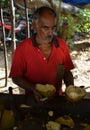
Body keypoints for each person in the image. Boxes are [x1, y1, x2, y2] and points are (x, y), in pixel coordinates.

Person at [9, 6, 74, 102]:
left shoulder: (61, 45)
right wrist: (33, 89)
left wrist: (70, 89)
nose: (50, 32)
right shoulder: (22, 49)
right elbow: (16, 77)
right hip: (33, 99)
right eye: (46, 28)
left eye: (53, 28)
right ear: (34, 26)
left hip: (57, 99)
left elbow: (66, 71)